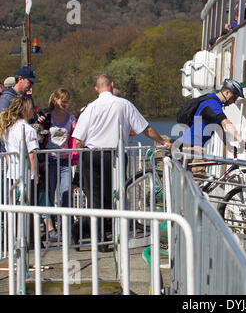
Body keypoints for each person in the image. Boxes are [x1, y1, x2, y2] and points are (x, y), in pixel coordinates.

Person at [72, 74, 171, 250]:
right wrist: (162, 142)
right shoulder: (124, 104)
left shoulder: (90, 107)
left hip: (91, 155)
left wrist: (80, 158)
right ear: (112, 85)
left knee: (94, 198)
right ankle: (99, 235)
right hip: (114, 156)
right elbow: (145, 129)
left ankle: (94, 236)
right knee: (114, 195)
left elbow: (78, 139)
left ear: (96, 89)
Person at [176, 78, 246, 176]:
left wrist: (228, 145)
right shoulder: (213, 104)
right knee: (198, 180)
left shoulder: (212, 101)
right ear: (227, 92)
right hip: (193, 147)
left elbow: (219, 127)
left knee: (188, 182)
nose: (233, 102)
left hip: (189, 145)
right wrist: (240, 140)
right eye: (234, 98)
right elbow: (226, 123)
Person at [37, 88, 78, 242]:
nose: (66, 104)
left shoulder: (71, 118)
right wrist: (39, 127)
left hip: (65, 160)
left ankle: (68, 227)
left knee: (66, 192)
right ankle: (50, 228)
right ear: (55, 100)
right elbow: (37, 133)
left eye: (68, 101)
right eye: (63, 101)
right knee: (48, 193)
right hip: (49, 159)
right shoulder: (47, 116)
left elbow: (77, 135)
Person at [0, 96, 39, 193]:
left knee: (14, 205)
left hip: (12, 174)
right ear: (24, 111)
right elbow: (32, 156)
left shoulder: (8, 128)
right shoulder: (29, 130)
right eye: (31, 108)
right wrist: (35, 175)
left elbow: (8, 154)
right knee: (27, 205)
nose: (33, 110)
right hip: (26, 175)